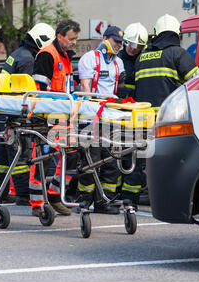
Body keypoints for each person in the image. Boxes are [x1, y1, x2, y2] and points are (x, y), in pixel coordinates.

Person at [0, 23, 56, 208]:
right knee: (19, 153)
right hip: (12, 114)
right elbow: (27, 90)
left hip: (0, 112)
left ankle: (0, 193)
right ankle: (23, 194)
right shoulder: (28, 59)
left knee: (3, 158)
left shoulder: (17, 53)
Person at [31, 19, 81, 216]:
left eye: (75, 39)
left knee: (72, 154)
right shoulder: (47, 55)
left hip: (63, 115)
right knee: (42, 159)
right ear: (59, 36)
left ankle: (53, 194)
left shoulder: (66, 57)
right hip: (46, 115)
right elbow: (40, 90)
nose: (74, 42)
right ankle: (37, 203)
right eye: (71, 39)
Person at [76, 26, 127, 215]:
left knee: (111, 160)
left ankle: (105, 201)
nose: (118, 46)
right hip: (91, 117)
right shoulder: (89, 59)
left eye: (120, 43)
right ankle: (85, 199)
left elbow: (119, 90)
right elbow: (85, 87)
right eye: (115, 42)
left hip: (111, 116)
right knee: (91, 159)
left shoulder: (119, 63)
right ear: (105, 38)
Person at [116, 22, 149, 210]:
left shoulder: (143, 61)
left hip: (136, 116)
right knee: (114, 158)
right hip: (117, 113)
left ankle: (130, 199)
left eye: (135, 45)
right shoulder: (117, 59)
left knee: (133, 159)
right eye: (128, 43)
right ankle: (112, 196)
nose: (130, 48)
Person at [134, 14, 199, 108]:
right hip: (168, 117)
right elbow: (197, 83)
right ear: (178, 32)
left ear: (156, 32)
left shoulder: (140, 57)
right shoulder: (179, 53)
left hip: (143, 117)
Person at [117, 22, 148, 98]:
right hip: (119, 102)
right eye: (131, 44)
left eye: (138, 46)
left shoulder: (144, 61)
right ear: (124, 42)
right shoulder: (116, 60)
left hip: (139, 102)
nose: (133, 49)